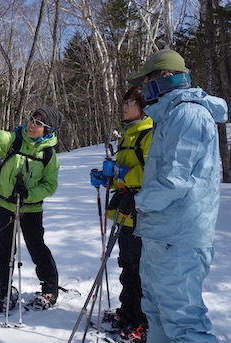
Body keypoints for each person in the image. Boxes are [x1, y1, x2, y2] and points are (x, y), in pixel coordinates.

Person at [127, 49, 228, 343]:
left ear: (165, 78)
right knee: (156, 312)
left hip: (179, 236)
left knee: (183, 322)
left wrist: (139, 202)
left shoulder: (189, 114)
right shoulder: (168, 116)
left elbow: (176, 179)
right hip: (161, 232)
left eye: (146, 80)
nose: (143, 88)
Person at [0, 106, 63, 313]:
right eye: (32, 119)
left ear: (48, 130)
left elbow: (50, 186)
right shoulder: (14, 140)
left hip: (31, 208)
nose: (32, 125)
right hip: (4, 205)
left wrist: (28, 194)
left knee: (36, 247)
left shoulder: (49, 155)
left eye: (39, 123)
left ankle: (50, 287)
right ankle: (4, 290)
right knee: (4, 248)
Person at [90, 86, 152, 342]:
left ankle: (142, 321)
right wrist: (109, 177)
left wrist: (125, 175)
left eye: (130, 102)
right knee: (126, 263)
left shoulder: (149, 133)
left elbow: (154, 173)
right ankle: (127, 312)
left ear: (143, 106)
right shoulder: (127, 134)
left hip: (142, 209)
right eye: (124, 101)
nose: (124, 106)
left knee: (139, 267)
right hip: (125, 207)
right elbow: (124, 172)